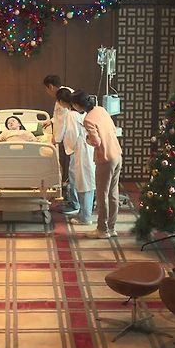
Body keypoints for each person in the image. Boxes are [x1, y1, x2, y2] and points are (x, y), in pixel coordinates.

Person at [79, 90, 122, 239]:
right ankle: (112, 227)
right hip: (117, 154)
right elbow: (112, 129)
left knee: (102, 194)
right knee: (113, 194)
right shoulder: (101, 110)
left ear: (78, 105)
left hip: (105, 158)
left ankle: (102, 229)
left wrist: (87, 139)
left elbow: (96, 142)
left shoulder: (88, 119)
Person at [57, 88, 96, 225]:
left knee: (83, 183)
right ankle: (84, 212)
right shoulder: (88, 113)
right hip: (87, 148)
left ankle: (85, 217)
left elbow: (72, 134)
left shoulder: (72, 115)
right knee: (86, 182)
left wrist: (70, 148)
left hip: (80, 149)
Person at [42, 74, 78, 213]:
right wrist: (50, 121)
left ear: (50, 87)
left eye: (46, 89)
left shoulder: (62, 99)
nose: (47, 92)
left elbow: (62, 121)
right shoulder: (66, 92)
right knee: (75, 172)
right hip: (74, 139)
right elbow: (59, 117)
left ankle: (76, 204)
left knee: (75, 173)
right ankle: (76, 201)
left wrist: (55, 139)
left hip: (75, 140)